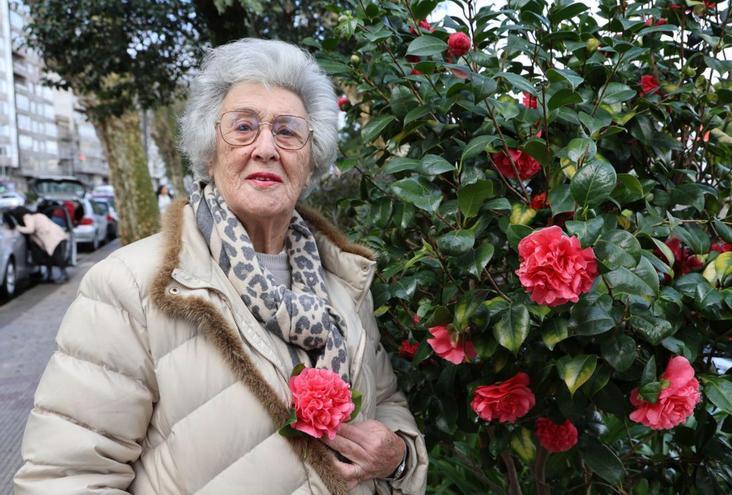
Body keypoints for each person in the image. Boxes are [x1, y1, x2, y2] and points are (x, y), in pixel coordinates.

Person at [14, 39, 427, 494]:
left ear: (311, 162)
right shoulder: (130, 285)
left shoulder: (344, 284)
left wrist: (398, 457)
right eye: (244, 127)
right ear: (210, 152)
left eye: (288, 131)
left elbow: (386, 403)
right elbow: (66, 477)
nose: (267, 147)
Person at [9, 206, 69, 283]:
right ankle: (51, 276)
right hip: (57, 235)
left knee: (56, 257)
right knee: (51, 257)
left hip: (52, 238)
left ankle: (63, 275)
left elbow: (30, 229)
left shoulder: (27, 217)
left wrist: (18, 228)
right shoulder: (37, 215)